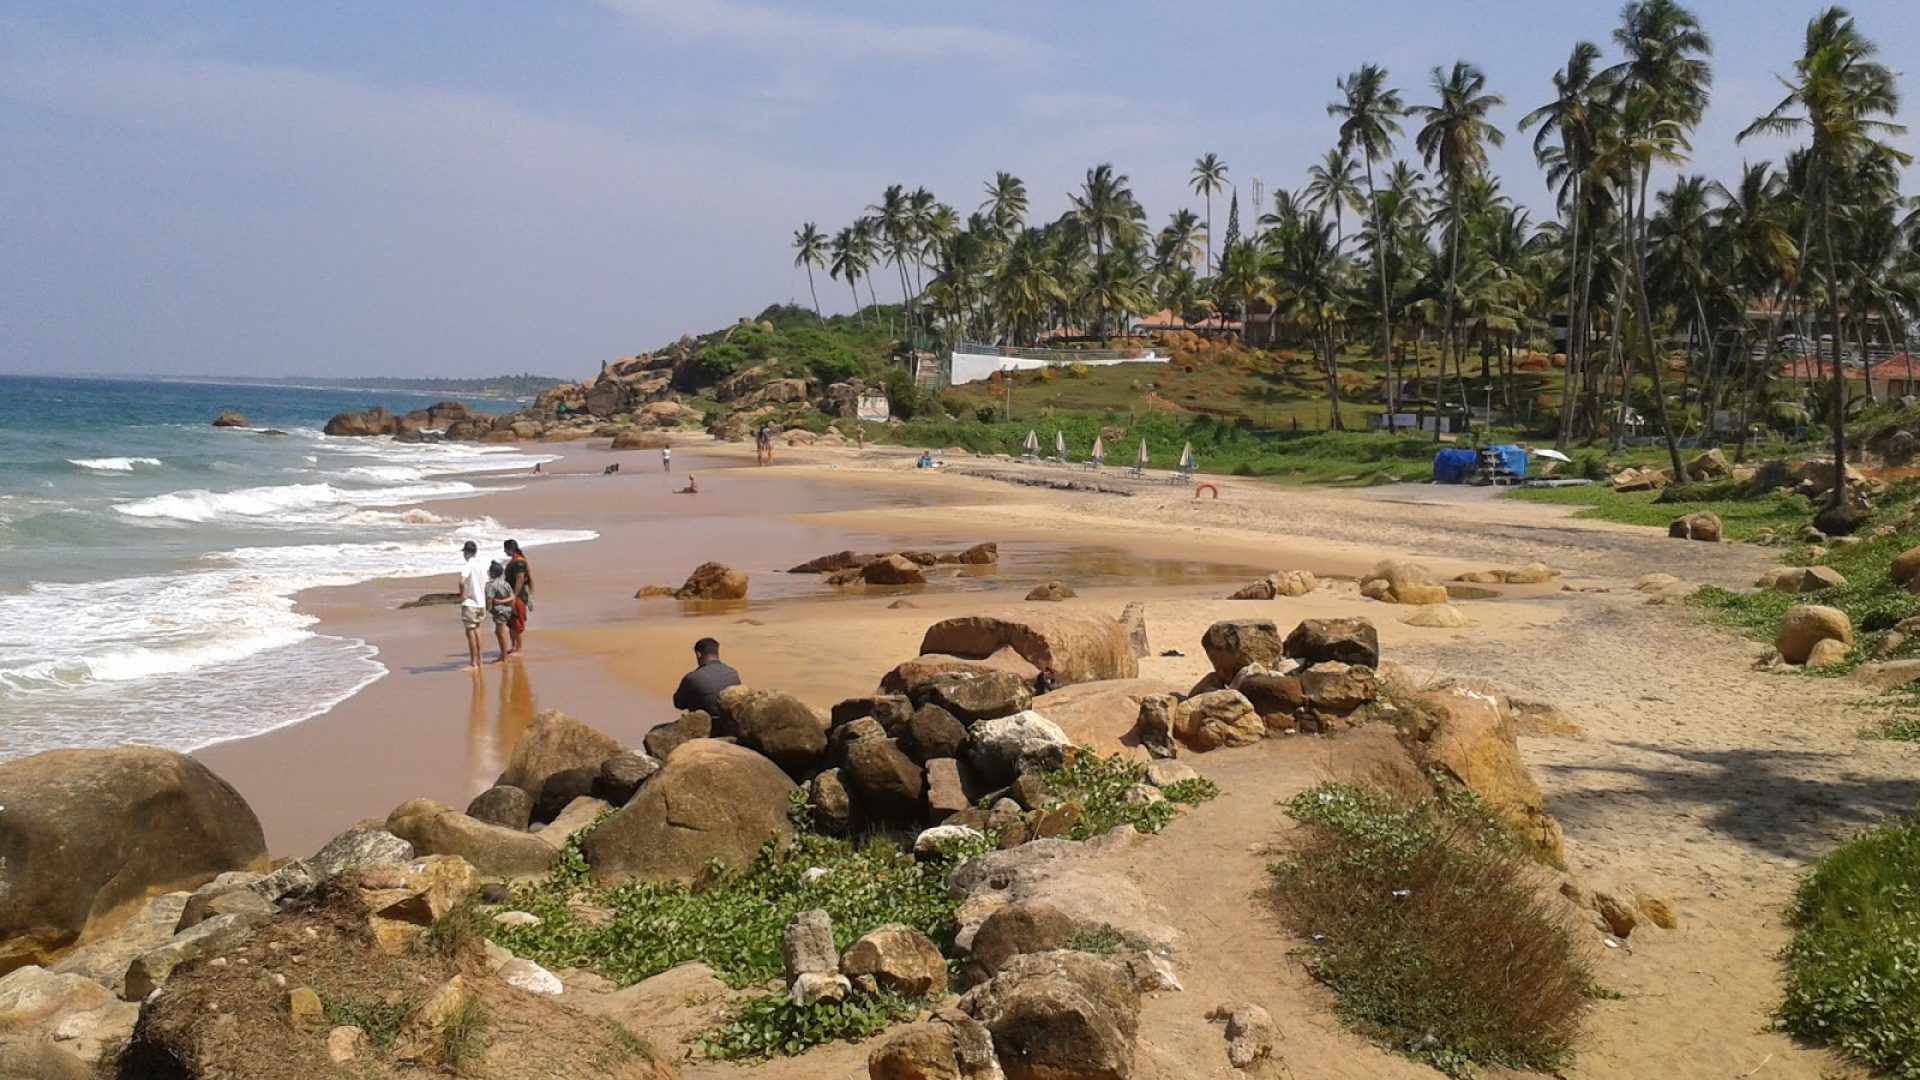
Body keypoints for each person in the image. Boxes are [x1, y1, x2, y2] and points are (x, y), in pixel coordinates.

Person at [672, 637, 740, 717]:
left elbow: (679, 704)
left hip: (704, 724)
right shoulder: (732, 673)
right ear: (717, 653)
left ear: (698, 654)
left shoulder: (692, 678)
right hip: (729, 723)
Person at [456, 540, 488, 671]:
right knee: (477, 631)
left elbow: (461, 582)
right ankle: (480, 660)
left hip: (470, 603)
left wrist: (462, 596)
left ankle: (473, 662)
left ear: (466, 553)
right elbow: (486, 583)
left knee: (470, 632)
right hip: (481, 603)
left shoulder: (468, 565)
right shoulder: (481, 565)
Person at [484, 561, 519, 663]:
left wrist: (486, 611)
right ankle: (503, 654)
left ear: (492, 573)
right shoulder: (506, 584)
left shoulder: (490, 585)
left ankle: (503, 656)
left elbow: (489, 600)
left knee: (500, 633)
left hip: (499, 611)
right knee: (499, 632)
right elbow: (512, 597)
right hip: (507, 610)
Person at [502, 539, 533, 654]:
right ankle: (514, 646)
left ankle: (519, 648)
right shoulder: (516, 561)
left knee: (516, 622)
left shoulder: (519, 562)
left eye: (505, 549)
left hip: (517, 596)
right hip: (511, 594)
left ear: (510, 549)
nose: (504, 551)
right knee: (511, 623)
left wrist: (513, 596)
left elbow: (519, 580)